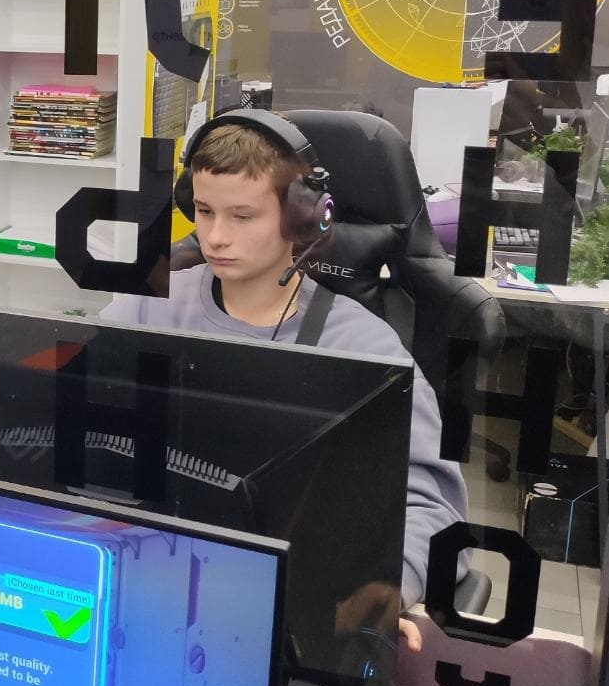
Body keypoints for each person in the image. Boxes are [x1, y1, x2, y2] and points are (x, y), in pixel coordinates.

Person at [104, 114, 470, 642]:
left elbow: (433, 506)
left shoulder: (361, 347)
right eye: (204, 211)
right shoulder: (144, 310)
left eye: (243, 216)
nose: (215, 236)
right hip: (146, 584)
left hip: (290, 612)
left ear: (302, 220)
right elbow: (60, 428)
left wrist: (390, 587)